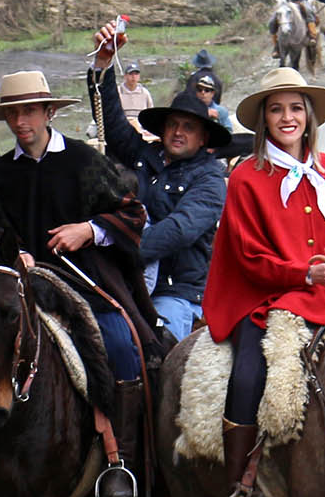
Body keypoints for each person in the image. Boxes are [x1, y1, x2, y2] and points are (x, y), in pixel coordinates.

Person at [0, 71, 162, 497]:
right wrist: (11, 258)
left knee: (123, 345)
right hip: (18, 289)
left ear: (49, 112)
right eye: (12, 112)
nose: (20, 120)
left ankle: (117, 457)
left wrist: (88, 229)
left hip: (84, 283)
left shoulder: (84, 160)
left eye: (29, 110)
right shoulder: (4, 173)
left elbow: (134, 214)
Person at [199, 67, 325, 497]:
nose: (287, 117)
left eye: (296, 108)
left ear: (309, 116)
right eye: (276, 109)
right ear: (264, 120)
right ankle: (240, 489)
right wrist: (305, 273)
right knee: (250, 372)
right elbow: (249, 255)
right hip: (266, 294)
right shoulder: (246, 178)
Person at [92, 24, 230, 340]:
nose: (178, 132)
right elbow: (111, 124)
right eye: (172, 124)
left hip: (175, 292)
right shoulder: (145, 155)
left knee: (157, 341)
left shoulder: (210, 179)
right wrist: (102, 65)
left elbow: (179, 229)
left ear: (204, 137)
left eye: (188, 127)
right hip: (125, 283)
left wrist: (114, 245)